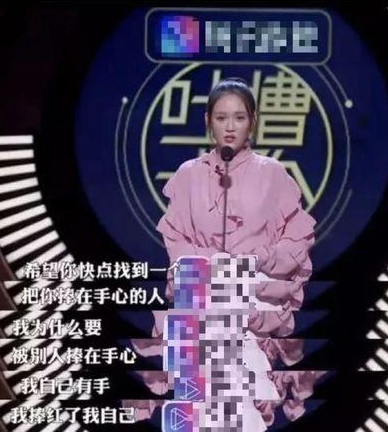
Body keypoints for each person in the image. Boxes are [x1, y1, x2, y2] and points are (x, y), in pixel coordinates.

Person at [131, 77, 320, 428]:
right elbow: (176, 240)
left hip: (252, 303)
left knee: (244, 408)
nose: (230, 127)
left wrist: (258, 262)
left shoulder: (273, 174)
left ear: (253, 121)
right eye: (221, 118)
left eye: (239, 117)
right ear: (208, 121)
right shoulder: (189, 175)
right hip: (203, 300)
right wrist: (210, 267)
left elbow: (297, 239)